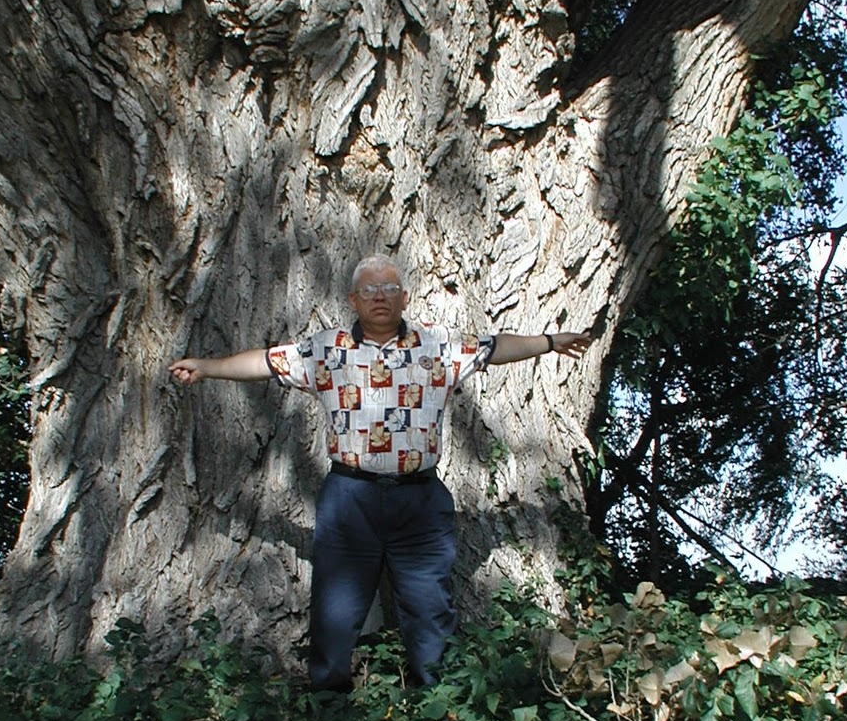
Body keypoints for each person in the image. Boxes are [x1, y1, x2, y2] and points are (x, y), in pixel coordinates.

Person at [169, 254, 591, 695]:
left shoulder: (438, 347)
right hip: (350, 497)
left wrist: (549, 341)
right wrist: (208, 366)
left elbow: (494, 346)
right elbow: (266, 363)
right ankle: (327, 712)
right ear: (353, 299)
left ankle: (440, 713)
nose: (379, 297)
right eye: (369, 290)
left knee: (430, 610)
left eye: (389, 289)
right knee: (335, 611)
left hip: (420, 501)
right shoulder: (326, 350)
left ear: (404, 297)